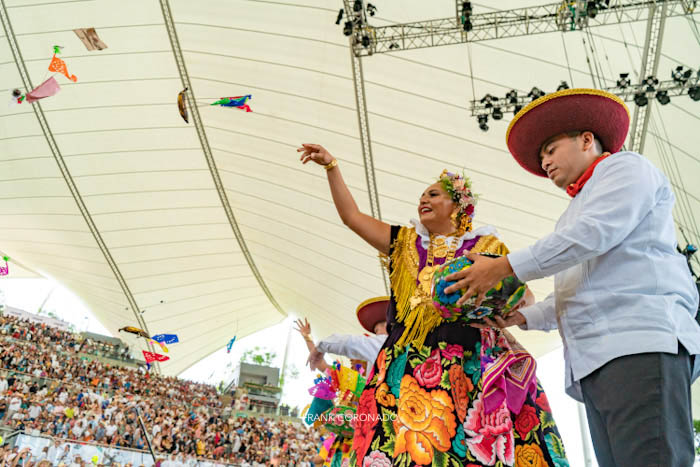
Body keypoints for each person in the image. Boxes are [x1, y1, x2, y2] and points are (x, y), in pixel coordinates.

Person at [447, 88, 700, 466]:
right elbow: (579, 289)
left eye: (550, 148)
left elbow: (593, 234)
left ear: (587, 140)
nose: (544, 161)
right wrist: (523, 316)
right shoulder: (572, 213)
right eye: (541, 156)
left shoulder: (626, 168)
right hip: (598, 361)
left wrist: (502, 267)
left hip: (638, 343)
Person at [298, 143, 568, 466]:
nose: (423, 200)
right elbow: (352, 217)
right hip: (405, 366)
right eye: (423, 196)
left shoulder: (486, 245)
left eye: (434, 195)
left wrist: (508, 307)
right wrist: (332, 167)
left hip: (466, 363)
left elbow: (519, 294)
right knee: (396, 452)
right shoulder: (403, 242)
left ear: (457, 206)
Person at [296, 296, 389, 370]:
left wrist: (320, 346)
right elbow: (322, 365)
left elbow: (348, 343)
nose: (352, 361)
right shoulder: (355, 381)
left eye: (357, 354)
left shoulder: (385, 344)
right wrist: (308, 338)